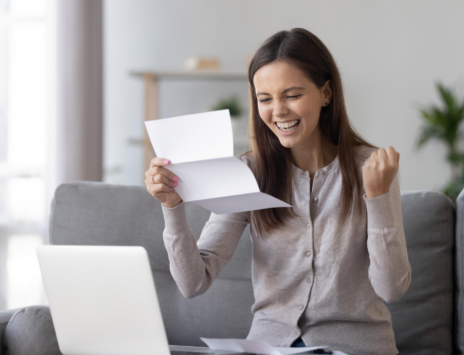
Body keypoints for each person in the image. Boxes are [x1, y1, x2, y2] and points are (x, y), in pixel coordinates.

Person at [145, 28, 411, 355]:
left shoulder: (371, 168)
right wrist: (172, 206)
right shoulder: (249, 173)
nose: (278, 111)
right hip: (271, 347)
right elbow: (192, 283)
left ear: (326, 93)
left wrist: (378, 198)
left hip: (354, 348)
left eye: (293, 95)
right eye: (265, 99)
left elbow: (392, 288)